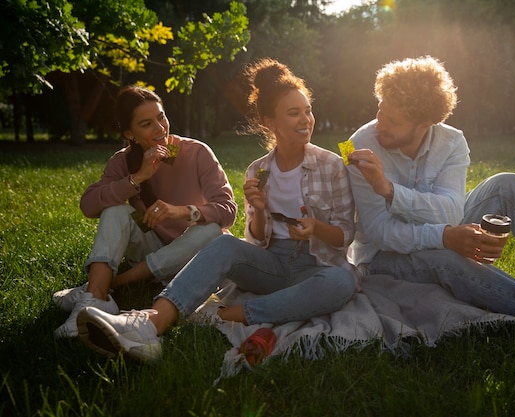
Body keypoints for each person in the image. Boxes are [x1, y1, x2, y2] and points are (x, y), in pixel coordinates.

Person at [75, 58, 358, 361]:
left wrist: (316, 227)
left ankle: (225, 315)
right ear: (269, 122)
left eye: (308, 110)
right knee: (224, 243)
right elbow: (256, 241)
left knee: (342, 282)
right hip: (271, 264)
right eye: (294, 113)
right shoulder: (258, 171)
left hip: (315, 266)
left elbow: (346, 235)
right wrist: (260, 211)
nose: (306, 120)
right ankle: (149, 324)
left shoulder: (331, 165)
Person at [345, 56, 515, 345]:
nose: (380, 123)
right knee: (443, 254)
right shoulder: (359, 146)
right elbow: (380, 232)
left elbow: (453, 211)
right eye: (380, 110)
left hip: (441, 228)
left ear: (424, 124)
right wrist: (444, 237)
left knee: (507, 184)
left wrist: (391, 191)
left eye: (392, 120)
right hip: (381, 258)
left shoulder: (452, 142)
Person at [52, 86, 237, 338]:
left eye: (161, 117)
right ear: (130, 133)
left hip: (194, 256)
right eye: (146, 124)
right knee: (116, 210)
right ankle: (94, 299)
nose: (160, 128)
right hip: (150, 246)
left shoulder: (197, 152)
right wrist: (138, 177)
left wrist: (182, 211)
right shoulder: (122, 160)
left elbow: (227, 209)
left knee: (214, 231)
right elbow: (88, 205)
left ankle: (108, 284)